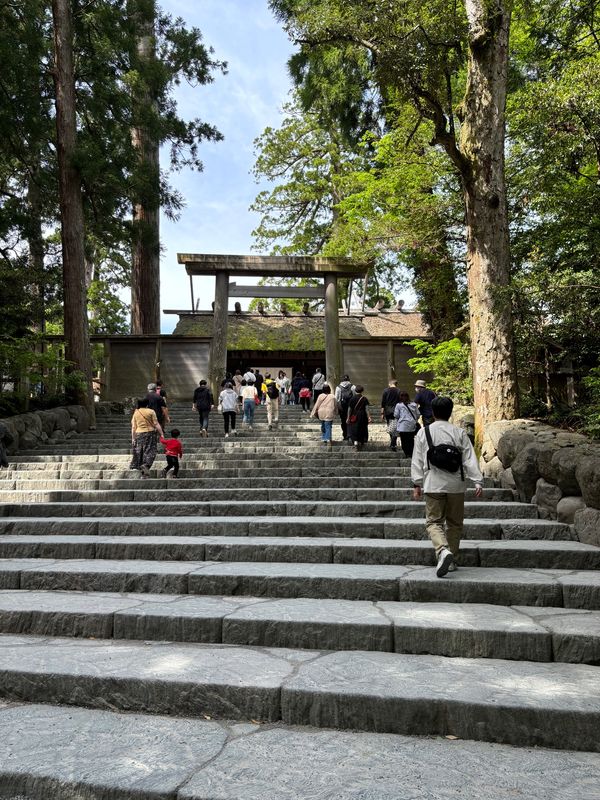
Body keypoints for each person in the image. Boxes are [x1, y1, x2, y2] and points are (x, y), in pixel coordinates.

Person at [411, 395, 483, 577]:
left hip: (433, 484)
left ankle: (443, 550)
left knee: (434, 522)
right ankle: (451, 560)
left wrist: (417, 483)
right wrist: (477, 481)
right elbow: (469, 458)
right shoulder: (459, 433)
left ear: (433, 412)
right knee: (455, 523)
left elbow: (417, 460)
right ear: (450, 412)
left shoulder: (423, 432)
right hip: (456, 485)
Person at [130, 398, 163, 477]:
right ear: (147, 404)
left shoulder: (136, 412)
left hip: (139, 434)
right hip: (150, 433)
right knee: (151, 451)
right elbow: (156, 424)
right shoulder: (151, 411)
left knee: (140, 452)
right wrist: (161, 433)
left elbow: (133, 427)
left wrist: (133, 438)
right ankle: (146, 465)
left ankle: (143, 473)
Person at [310, 384, 338, 448]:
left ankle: (325, 438)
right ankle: (327, 439)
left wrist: (313, 413)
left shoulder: (320, 396)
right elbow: (335, 405)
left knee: (323, 426)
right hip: (329, 413)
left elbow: (317, 405)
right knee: (328, 426)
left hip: (321, 413)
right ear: (329, 389)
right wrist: (336, 412)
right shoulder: (332, 396)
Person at [393, 391, 420, 457]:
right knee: (411, 439)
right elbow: (418, 414)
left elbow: (396, 415)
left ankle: (406, 453)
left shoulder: (399, 405)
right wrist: (414, 419)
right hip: (412, 425)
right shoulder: (413, 404)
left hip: (402, 425)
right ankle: (411, 453)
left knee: (404, 440)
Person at [346, 385, 371, 450]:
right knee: (362, 427)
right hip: (362, 415)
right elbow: (367, 409)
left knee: (354, 428)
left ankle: (355, 442)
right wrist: (369, 417)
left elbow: (349, 409)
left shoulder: (352, 398)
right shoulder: (364, 399)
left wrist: (348, 417)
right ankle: (361, 441)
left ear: (355, 390)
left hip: (354, 415)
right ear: (362, 391)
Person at [380, 379, 402, 451]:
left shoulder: (385, 390)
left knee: (390, 426)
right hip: (397, 410)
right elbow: (401, 401)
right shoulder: (399, 391)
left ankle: (392, 442)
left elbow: (383, 402)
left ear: (389, 384)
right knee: (395, 427)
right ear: (396, 384)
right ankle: (393, 442)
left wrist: (382, 413)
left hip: (388, 411)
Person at [335, 375, 353, 442]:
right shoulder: (352, 386)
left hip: (342, 408)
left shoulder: (338, 387)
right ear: (348, 379)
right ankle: (350, 435)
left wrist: (337, 409)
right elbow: (355, 397)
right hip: (351, 408)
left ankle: (345, 435)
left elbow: (336, 399)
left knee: (343, 422)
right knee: (351, 421)